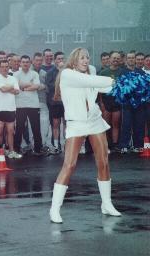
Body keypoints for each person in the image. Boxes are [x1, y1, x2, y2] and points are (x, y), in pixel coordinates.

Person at [49, 48, 121, 224]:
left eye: (88, 57)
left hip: (94, 120)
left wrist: (123, 84)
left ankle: (107, 204)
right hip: (76, 123)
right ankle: (54, 208)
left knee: (103, 162)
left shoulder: (92, 71)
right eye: (82, 57)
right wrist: (116, 79)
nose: (86, 60)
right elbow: (92, 81)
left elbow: (103, 86)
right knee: (70, 165)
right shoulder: (67, 74)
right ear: (74, 60)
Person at [0, 60, 21, 159]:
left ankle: (11, 151)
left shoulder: (13, 78)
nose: (4, 68)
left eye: (6, 67)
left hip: (11, 108)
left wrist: (8, 88)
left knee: (10, 131)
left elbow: (17, 92)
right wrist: (12, 87)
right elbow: (3, 90)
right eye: (2, 67)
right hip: (0, 109)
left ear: (8, 67)